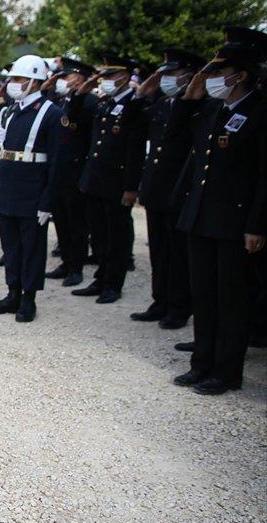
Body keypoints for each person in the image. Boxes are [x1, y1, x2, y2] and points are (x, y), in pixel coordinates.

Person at [169, 26, 266, 396]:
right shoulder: (212, 110)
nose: (210, 78)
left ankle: (226, 373)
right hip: (201, 216)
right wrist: (189, 100)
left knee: (231, 299)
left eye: (218, 72)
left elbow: (262, 176)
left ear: (240, 75)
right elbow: (176, 139)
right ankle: (201, 363)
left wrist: (256, 225)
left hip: (235, 222)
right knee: (204, 294)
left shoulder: (259, 112)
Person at [0, 55, 65, 322]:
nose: (12, 84)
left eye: (18, 79)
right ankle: (13, 292)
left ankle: (29, 298)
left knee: (32, 247)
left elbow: (57, 163)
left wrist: (47, 202)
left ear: (35, 81)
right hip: (9, 186)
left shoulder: (52, 113)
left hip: (32, 190)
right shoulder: (12, 110)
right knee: (12, 245)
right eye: (12, 79)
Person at [130, 48, 203, 329]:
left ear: (189, 75)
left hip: (179, 190)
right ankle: (159, 300)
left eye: (172, 73)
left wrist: (189, 96)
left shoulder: (197, 107)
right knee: (159, 251)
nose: (167, 78)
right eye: (165, 73)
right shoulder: (162, 102)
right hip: (158, 188)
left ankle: (179, 306)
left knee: (178, 254)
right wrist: (146, 88)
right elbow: (133, 117)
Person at [73, 57, 146, 304]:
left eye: (110, 76)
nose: (104, 81)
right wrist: (85, 88)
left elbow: (134, 150)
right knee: (99, 234)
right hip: (95, 179)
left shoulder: (133, 106)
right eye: (103, 76)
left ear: (124, 77)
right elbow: (74, 114)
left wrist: (131, 187)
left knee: (117, 236)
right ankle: (101, 277)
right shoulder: (103, 103)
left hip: (117, 181)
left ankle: (114, 283)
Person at [45, 57, 98, 288]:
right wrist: (47, 88)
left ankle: (76, 266)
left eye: (67, 76)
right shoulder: (60, 100)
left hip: (76, 168)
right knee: (61, 220)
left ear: (80, 78)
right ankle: (66, 261)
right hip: (58, 167)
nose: (62, 80)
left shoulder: (90, 101)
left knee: (77, 222)